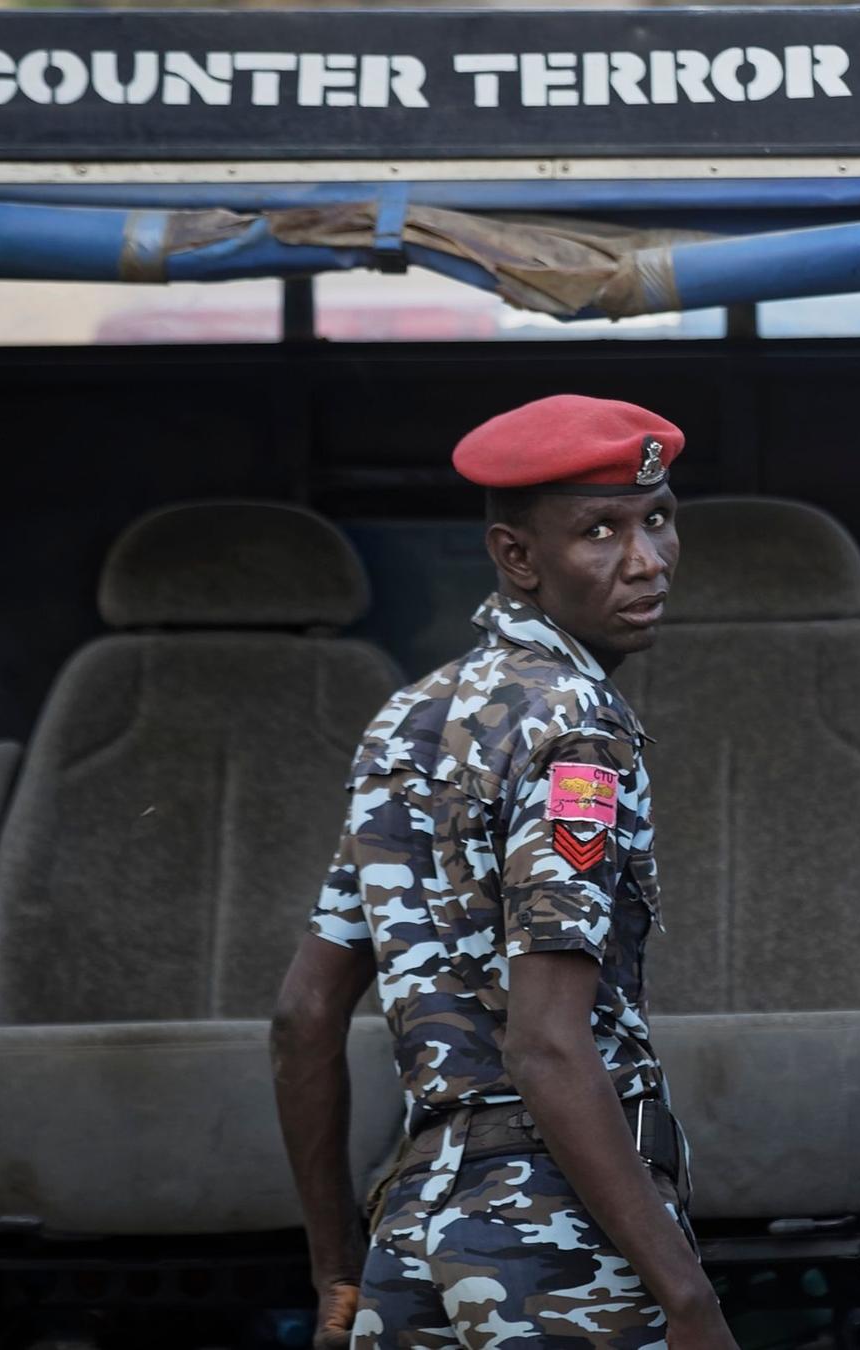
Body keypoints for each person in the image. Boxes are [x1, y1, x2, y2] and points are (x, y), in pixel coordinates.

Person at [267, 395, 740, 1350]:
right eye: (599, 532)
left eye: (658, 519)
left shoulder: (408, 719)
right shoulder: (577, 731)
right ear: (518, 557)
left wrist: (336, 1271)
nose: (646, 560)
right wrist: (688, 1303)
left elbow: (303, 1017)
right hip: (558, 1243)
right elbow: (547, 1044)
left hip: (414, 1234)